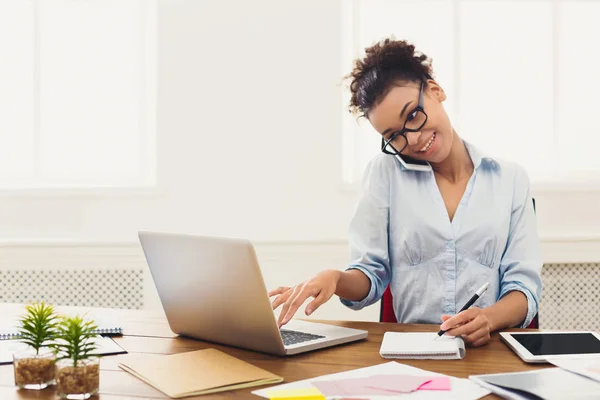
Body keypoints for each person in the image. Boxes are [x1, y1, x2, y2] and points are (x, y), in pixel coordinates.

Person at [269, 38, 542, 347]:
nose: (412, 139)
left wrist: (488, 318)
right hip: (414, 351)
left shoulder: (510, 180)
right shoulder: (384, 173)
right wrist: (335, 279)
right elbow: (370, 275)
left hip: (488, 351)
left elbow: (524, 289)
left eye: (413, 115)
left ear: (436, 91)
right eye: (394, 136)